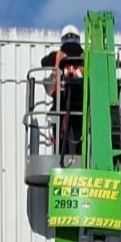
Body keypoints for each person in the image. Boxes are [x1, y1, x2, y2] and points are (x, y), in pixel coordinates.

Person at [41, 24, 84, 155]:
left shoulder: (57, 55)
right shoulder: (84, 56)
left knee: (67, 134)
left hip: (68, 105)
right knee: (73, 135)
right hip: (70, 105)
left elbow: (43, 61)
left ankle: (63, 153)